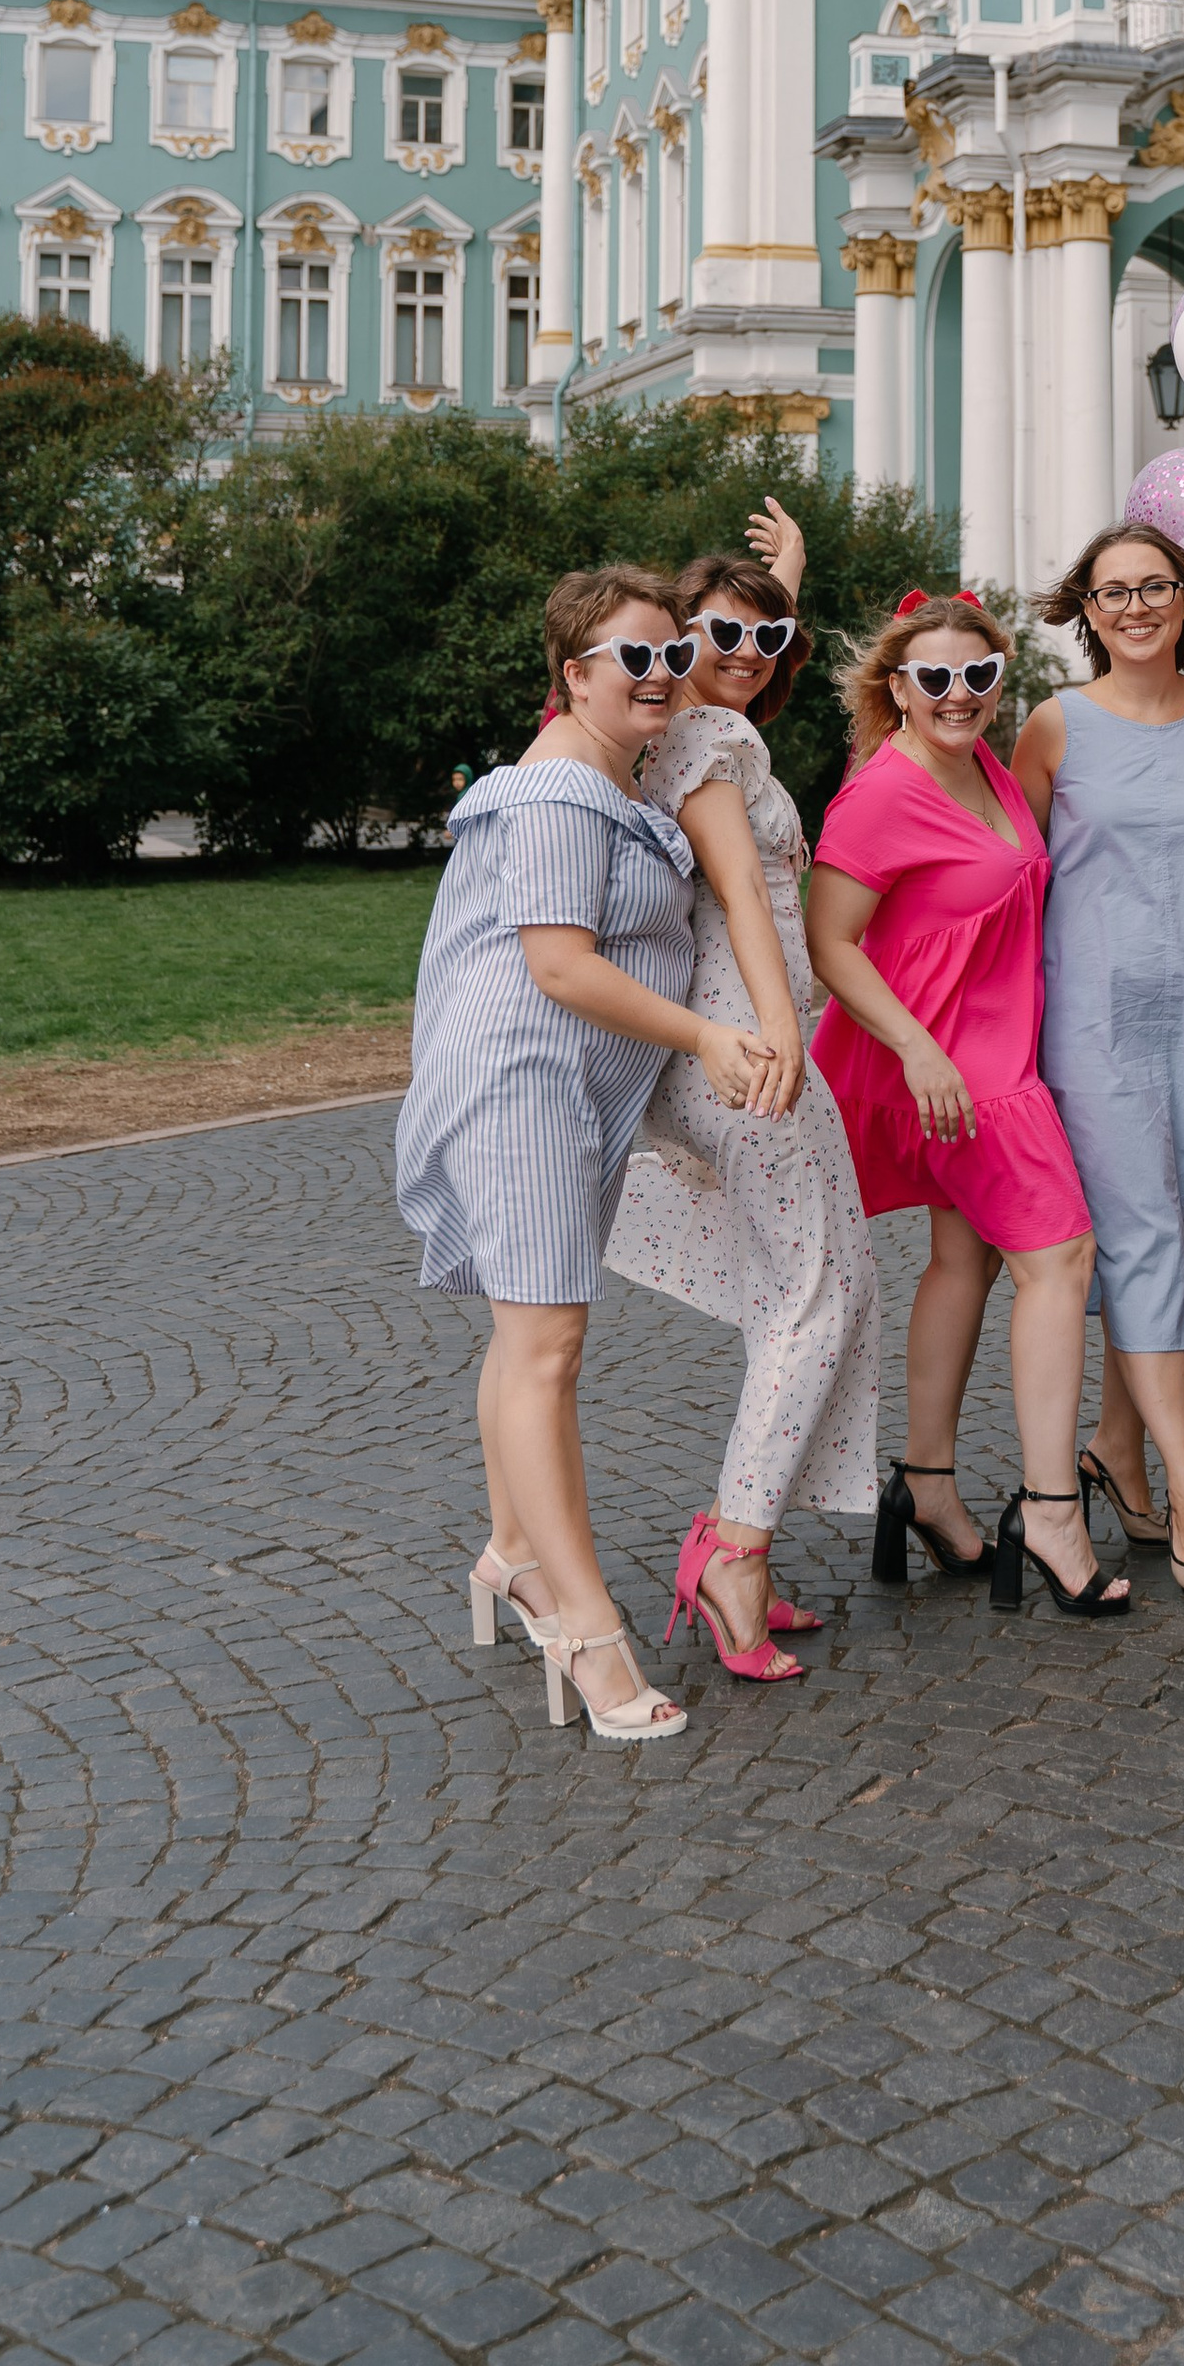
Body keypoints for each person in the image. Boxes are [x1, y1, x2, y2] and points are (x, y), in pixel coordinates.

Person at [397, 566, 776, 1742]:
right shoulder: (563, 790)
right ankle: (585, 1627)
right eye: (634, 659)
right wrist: (710, 1034)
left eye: (675, 654)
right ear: (573, 674)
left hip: (558, 1087)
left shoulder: (606, 771)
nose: (661, 675)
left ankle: (512, 1555)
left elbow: (746, 638)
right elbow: (559, 963)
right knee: (548, 1348)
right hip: (524, 1079)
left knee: (530, 1343)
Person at [806, 593, 1129, 1618]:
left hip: (989, 1051)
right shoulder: (882, 793)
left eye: (978, 676)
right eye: (934, 679)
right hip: (950, 1069)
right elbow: (829, 943)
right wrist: (916, 1050)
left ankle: (926, 1483)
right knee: (1060, 1258)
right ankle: (1048, 1510)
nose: (958, 696)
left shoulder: (986, 766)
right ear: (895, 687)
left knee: (966, 1256)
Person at [605, 547, 879, 1684]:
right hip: (745, 1042)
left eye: (771, 642)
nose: (747, 657)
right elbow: (741, 898)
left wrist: (779, 595)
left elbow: (736, 650)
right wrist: (780, 1034)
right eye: (720, 636)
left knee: (822, 1285)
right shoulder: (708, 743)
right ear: (678, 636)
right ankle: (735, 1557)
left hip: (734, 1039)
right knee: (812, 1295)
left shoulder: (699, 727)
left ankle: (737, 1535)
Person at [1014, 522, 1184, 1600]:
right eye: (1112, 591)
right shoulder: (1055, 726)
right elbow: (1011, 877)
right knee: (1136, 1240)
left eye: (1154, 587)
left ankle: (1114, 1449)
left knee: (1174, 1227)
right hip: (1093, 1024)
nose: (1134, 606)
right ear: (1084, 610)